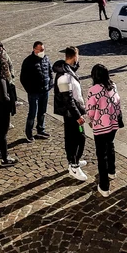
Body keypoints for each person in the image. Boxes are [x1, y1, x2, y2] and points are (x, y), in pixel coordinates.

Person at [85, 64, 122, 196]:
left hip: (101, 126)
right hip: (113, 124)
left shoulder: (93, 90)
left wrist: (91, 120)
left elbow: (90, 109)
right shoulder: (113, 86)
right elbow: (117, 102)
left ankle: (104, 186)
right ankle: (112, 171)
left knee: (101, 155)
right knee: (110, 146)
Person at [54, 46, 88, 181]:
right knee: (74, 139)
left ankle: (75, 160)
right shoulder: (63, 77)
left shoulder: (68, 70)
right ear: (74, 56)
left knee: (80, 137)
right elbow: (67, 99)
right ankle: (73, 165)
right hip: (71, 114)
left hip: (74, 112)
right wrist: (77, 116)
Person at [19, 41, 52, 142]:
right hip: (34, 93)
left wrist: (50, 84)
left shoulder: (46, 58)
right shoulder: (28, 61)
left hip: (45, 90)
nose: (43, 51)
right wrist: (30, 90)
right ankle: (29, 132)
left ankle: (40, 129)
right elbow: (23, 78)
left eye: (43, 49)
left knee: (42, 112)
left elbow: (50, 72)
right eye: (41, 49)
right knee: (32, 113)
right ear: (34, 49)